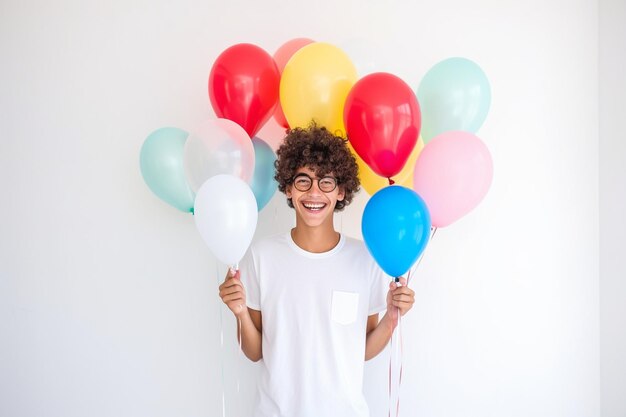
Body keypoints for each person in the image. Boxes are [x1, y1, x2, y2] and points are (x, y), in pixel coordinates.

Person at [218, 125, 415, 417]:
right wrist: (240, 312)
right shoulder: (263, 256)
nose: (314, 193)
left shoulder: (364, 259)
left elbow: (360, 350)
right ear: (287, 186)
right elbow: (255, 351)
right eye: (303, 181)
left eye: (326, 182)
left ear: (341, 191)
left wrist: (391, 318)